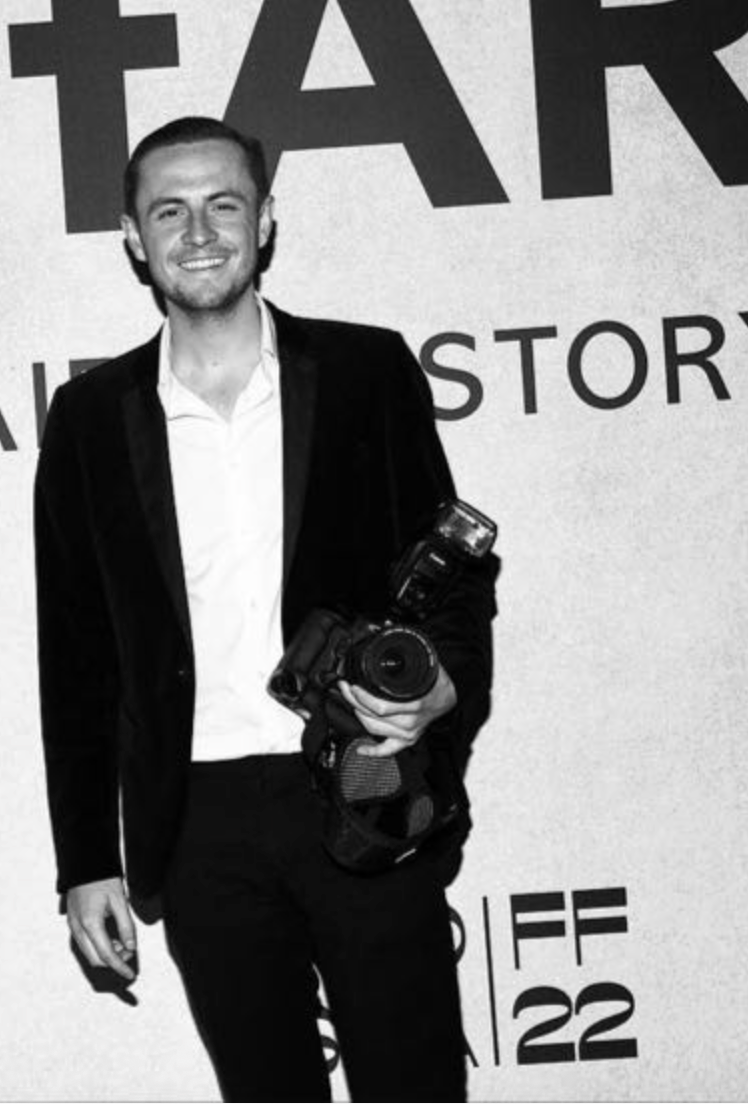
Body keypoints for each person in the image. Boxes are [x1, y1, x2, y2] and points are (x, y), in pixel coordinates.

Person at [34, 116, 497, 1102]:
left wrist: (440, 698)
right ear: (132, 237)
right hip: (197, 818)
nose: (197, 230)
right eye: (170, 210)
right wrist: (86, 862)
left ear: (266, 220)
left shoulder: (367, 373)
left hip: (367, 783)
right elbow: (74, 656)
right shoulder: (88, 422)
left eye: (221, 204)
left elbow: (452, 576)